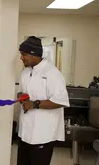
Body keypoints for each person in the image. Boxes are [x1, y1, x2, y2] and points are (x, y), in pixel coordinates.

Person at [17, 36, 70, 165]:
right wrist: (21, 97)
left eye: (24, 54)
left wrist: (34, 104)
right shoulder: (25, 73)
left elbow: (61, 101)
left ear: (35, 54)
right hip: (25, 132)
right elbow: (21, 92)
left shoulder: (52, 73)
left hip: (43, 134)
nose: (21, 58)